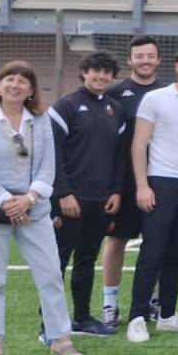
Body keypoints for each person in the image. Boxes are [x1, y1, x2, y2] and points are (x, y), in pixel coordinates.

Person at [0, 61, 81, 355]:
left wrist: (28, 199)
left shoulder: (41, 121)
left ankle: (59, 338)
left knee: (51, 274)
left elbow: (47, 168)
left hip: (35, 209)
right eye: (9, 79)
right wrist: (8, 202)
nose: (15, 85)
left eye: (22, 81)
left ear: (31, 90)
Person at [126, 43, 178, 343]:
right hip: (161, 183)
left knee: (177, 254)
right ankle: (137, 317)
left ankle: (167, 315)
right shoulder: (155, 98)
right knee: (152, 252)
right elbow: (139, 145)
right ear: (177, 65)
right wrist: (142, 185)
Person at [48, 50, 126, 337]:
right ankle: (50, 324)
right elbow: (52, 154)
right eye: (96, 71)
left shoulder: (116, 110)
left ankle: (82, 317)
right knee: (57, 261)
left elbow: (119, 157)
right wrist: (63, 193)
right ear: (84, 73)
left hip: (101, 200)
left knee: (86, 259)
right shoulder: (66, 106)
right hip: (69, 199)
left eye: (107, 72)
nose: (101, 76)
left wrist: (116, 191)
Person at [101, 34, 165, 327]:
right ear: (130, 60)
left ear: (158, 60)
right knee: (116, 241)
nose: (145, 61)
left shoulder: (167, 93)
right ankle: (110, 304)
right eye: (140, 56)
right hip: (123, 182)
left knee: (156, 243)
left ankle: (151, 300)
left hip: (159, 179)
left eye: (150, 56)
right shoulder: (114, 93)